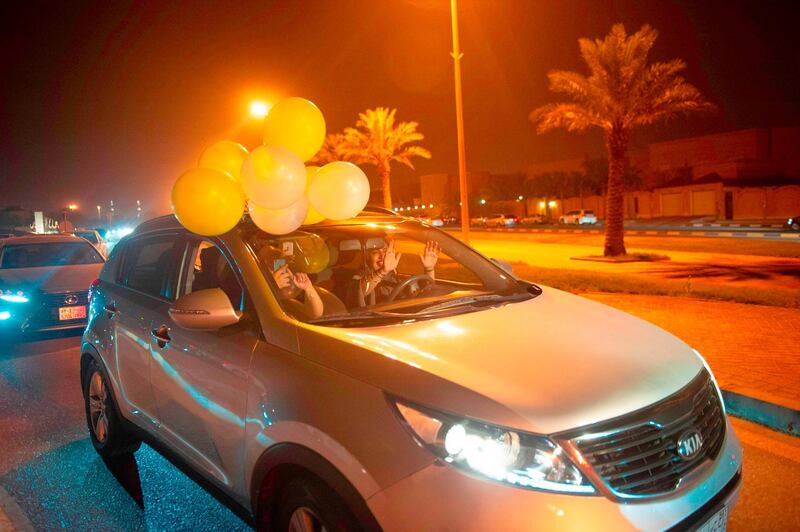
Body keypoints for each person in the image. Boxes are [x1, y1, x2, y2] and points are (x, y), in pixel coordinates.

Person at [348, 237, 440, 307]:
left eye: (385, 251)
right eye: (375, 252)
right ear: (367, 258)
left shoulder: (394, 277)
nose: (382, 256)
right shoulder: (358, 278)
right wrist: (382, 272)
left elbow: (427, 293)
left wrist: (429, 269)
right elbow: (361, 290)